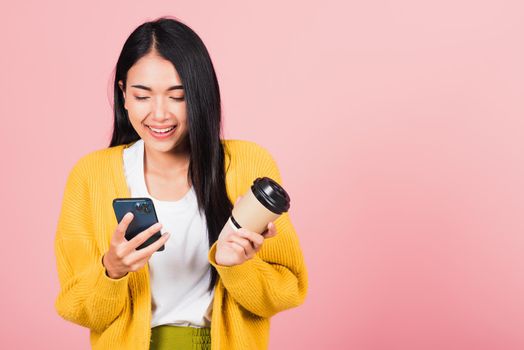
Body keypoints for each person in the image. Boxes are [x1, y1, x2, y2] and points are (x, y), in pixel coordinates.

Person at [54, 16, 308, 350]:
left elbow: (287, 291)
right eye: (142, 96)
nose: (159, 114)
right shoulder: (91, 175)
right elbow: (77, 306)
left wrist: (238, 268)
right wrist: (111, 271)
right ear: (123, 95)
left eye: (178, 96)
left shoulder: (246, 164)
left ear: (200, 95)